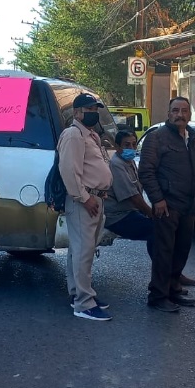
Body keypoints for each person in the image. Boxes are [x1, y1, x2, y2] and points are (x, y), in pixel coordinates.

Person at [138, 97, 195, 313]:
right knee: (164, 252)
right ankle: (158, 295)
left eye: (184, 110)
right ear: (168, 114)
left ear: (190, 114)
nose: (180, 114)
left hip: (189, 207)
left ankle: (173, 289)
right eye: (175, 110)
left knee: (182, 250)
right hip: (167, 206)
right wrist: (157, 200)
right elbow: (146, 172)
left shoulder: (194, 138)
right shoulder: (157, 138)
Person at [104, 130, 195, 287]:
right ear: (117, 147)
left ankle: (173, 273)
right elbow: (133, 197)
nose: (131, 148)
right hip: (118, 216)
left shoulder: (129, 162)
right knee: (158, 231)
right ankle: (164, 277)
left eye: (134, 144)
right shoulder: (116, 165)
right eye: (127, 145)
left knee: (167, 228)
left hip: (130, 212)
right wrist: (151, 214)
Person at [58, 93, 114, 321]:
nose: (94, 112)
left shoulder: (90, 135)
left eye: (95, 108)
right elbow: (69, 172)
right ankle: (83, 304)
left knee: (80, 250)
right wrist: (85, 197)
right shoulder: (73, 135)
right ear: (78, 112)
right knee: (83, 252)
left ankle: (79, 294)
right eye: (89, 109)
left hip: (94, 199)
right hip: (84, 201)